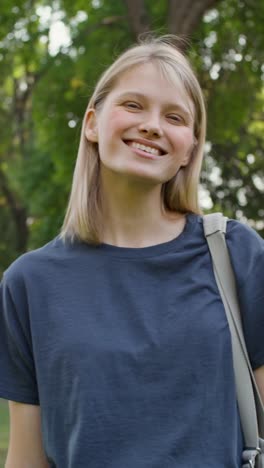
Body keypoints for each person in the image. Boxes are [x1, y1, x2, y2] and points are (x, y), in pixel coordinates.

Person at [0, 34, 264, 468]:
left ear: (189, 149)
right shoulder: (29, 284)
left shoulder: (236, 254)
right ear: (91, 123)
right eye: (133, 105)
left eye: (175, 116)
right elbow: (27, 458)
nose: (152, 125)